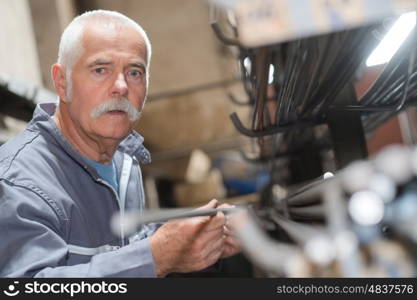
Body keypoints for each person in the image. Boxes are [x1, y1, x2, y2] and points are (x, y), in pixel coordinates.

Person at [0, 10, 240, 277]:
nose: (121, 86)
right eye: (100, 69)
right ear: (61, 80)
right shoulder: (18, 183)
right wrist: (153, 258)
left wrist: (188, 240)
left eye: (135, 72)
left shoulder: (123, 159)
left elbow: (119, 248)